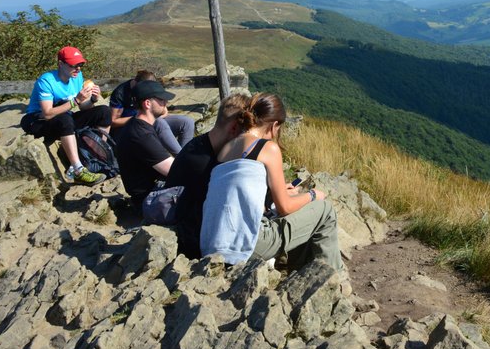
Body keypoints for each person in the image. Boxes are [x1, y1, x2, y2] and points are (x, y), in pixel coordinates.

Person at [200, 93, 343, 271]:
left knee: (294, 205)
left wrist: (280, 192)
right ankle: (332, 278)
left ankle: (300, 271)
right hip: (247, 245)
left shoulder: (225, 150)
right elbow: (285, 208)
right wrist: (313, 195)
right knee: (325, 210)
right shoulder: (268, 148)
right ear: (274, 125)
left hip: (211, 246)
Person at [165, 92, 250, 258]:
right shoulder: (204, 164)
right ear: (234, 128)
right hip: (194, 243)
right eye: (246, 131)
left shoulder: (199, 146)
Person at [20, 46, 110, 185]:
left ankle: (97, 153)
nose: (78, 69)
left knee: (104, 111)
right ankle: (78, 170)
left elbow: (83, 107)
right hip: (37, 121)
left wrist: (92, 99)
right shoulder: (46, 81)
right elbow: (47, 113)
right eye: (74, 65)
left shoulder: (77, 77)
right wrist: (76, 101)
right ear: (61, 64)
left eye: (80, 64)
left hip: (64, 120)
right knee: (65, 118)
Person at [115, 79, 176, 206]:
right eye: (161, 100)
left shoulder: (136, 125)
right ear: (147, 103)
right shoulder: (141, 135)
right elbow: (174, 170)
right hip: (150, 197)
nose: (165, 103)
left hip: (148, 190)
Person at [110, 70, 194, 155]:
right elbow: (113, 122)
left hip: (150, 123)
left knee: (187, 122)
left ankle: (185, 156)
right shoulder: (120, 93)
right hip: (128, 129)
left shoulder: (151, 88)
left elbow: (164, 112)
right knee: (159, 122)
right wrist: (141, 118)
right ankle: (183, 159)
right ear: (136, 82)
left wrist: (152, 118)